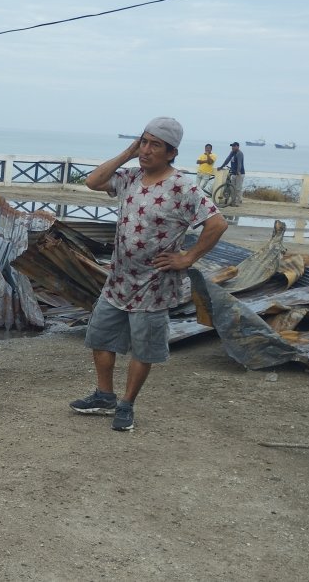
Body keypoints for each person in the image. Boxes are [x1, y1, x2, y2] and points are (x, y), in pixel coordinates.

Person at [70, 117, 228, 431]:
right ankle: (104, 395)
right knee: (100, 338)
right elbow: (92, 181)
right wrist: (129, 151)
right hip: (117, 281)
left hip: (153, 286)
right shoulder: (130, 177)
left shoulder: (182, 187)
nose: (147, 150)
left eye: (155, 145)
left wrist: (188, 257)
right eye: (144, 142)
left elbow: (217, 224)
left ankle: (126, 405)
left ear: (171, 153)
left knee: (143, 348)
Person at [217, 141, 246, 206]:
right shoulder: (232, 153)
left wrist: (238, 171)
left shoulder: (239, 153)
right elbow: (227, 160)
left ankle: (239, 202)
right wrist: (221, 167)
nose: (232, 147)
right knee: (232, 188)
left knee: (238, 188)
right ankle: (233, 202)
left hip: (240, 173)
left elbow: (239, 163)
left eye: (234, 146)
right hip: (233, 173)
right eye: (232, 146)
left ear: (237, 146)